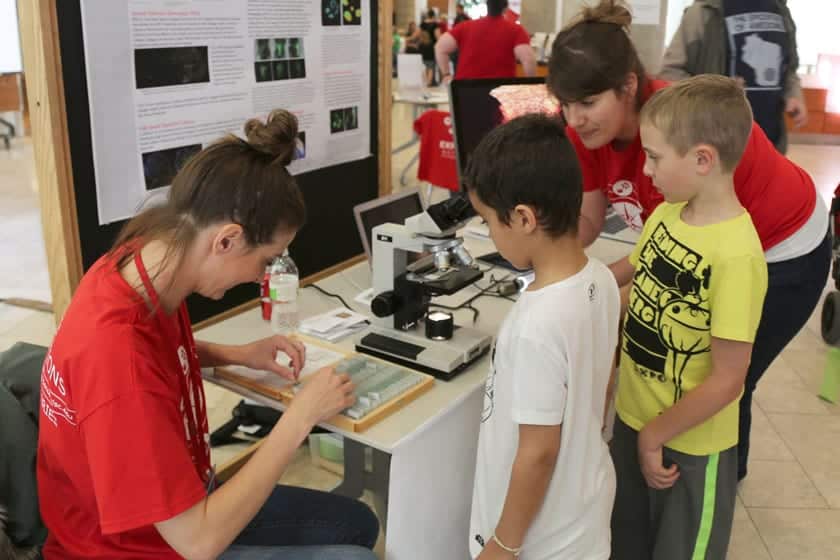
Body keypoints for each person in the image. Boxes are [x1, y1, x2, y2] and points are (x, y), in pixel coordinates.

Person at [36, 109, 380, 560]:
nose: (262, 276)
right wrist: (300, 418)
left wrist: (240, 354)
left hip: (171, 511)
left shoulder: (140, 263)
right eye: (265, 260)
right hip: (137, 547)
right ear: (227, 240)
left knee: (356, 523)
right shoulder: (117, 361)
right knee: (353, 558)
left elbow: (155, 356)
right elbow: (199, 543)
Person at [547, 0, 829, 482]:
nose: (575, 119)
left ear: (629, 87)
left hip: (785, 248)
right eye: (565, 105)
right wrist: (553, 265)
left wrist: (593, 287)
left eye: (589, 103)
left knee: (720, 382)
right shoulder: (588, 134)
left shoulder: (679, 129)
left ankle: (711, 494)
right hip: (713, 249)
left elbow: (665, 257)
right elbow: (590, 219)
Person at [610, 74, 768, 559]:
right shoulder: (665, 215)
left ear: (703, 159)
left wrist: (656, 435)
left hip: (688, 446)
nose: (646, 168)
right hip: (633, 419)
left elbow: (727, 380)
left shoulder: (737, 258)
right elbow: (629, 272)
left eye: (655, 157)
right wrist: (572, 284)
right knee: (626, 544)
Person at [465, 114, 620, 559]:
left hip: (538, 540)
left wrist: (502, 544)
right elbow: (603, 382)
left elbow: (538, 453)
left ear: (523, 218)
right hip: (584, 513)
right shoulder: (602, 280)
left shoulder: (537, 323)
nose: (489, 235)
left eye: (489, 222)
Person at [659, 0, 807, 154]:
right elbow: (670, 72)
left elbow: (788, 68)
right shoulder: (704, 12)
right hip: (715, 147)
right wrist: (714, 92)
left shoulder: (780, 11)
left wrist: (793, 94)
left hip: (770, 144)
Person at [434, 0, 536, 81]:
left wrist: (446, 74)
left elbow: (440, 48)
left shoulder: (465, 27)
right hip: (501, 90)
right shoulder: (516, 30)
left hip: (465, 89)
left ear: (487, 7)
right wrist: (530, 84)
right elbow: (528, 59)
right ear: (505, 9)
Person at [419, 10, 441, 85]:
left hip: (422, 46)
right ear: (434, 15)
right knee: (431, 65)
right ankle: (431, 82)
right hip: (431, 46)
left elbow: (419, 34)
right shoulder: (435, 24)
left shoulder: (422, 24)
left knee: (424, 64)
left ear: (427, 15)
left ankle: (425, 81)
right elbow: (437, 36)